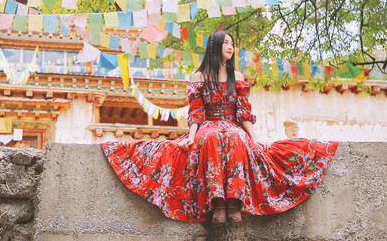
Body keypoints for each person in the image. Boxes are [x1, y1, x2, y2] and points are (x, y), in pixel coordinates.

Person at [101, 30, 338, 223]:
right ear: (215, 47)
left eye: (232, 43)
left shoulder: (239, 76)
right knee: (210, 139)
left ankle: (234, 202)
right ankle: (217, 203)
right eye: (225, 43)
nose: (230, 47)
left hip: (233, 124)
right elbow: (196, 111)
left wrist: (253, 138)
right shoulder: (199, 77)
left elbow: (244, 112)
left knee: (237, 139)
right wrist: (191, 136)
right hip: (208, 124)